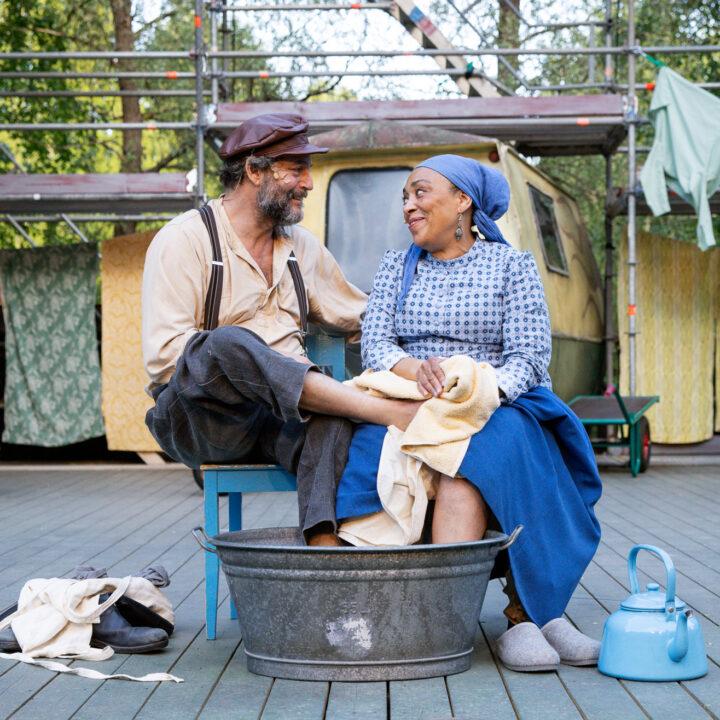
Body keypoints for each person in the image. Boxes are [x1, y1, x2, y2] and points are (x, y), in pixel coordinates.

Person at [335, 154, 603, 670]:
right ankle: (446, 620)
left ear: (463, 201)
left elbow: (529, 356)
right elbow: (376, 347)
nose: (409, 206)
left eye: (421, 193)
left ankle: (532, 615)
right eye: (405, 198)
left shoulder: (512, 265)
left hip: (496, 397)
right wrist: (421, 373)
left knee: (487, 455)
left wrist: (475, 391)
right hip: (414, 395)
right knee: (417, 459)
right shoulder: (396, 266)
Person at [142, 113, 419, 546]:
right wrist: (260, 367)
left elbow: (367, 317)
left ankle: (324, 556)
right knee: (225, 344)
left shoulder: (301, 248)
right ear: (254, 171)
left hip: (278, 420)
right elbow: (166, 360)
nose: (308, 182)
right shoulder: (186, 239)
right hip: (204, 418)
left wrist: (438, 341)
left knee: (331, 418)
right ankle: (377, 410)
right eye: (296, 169)